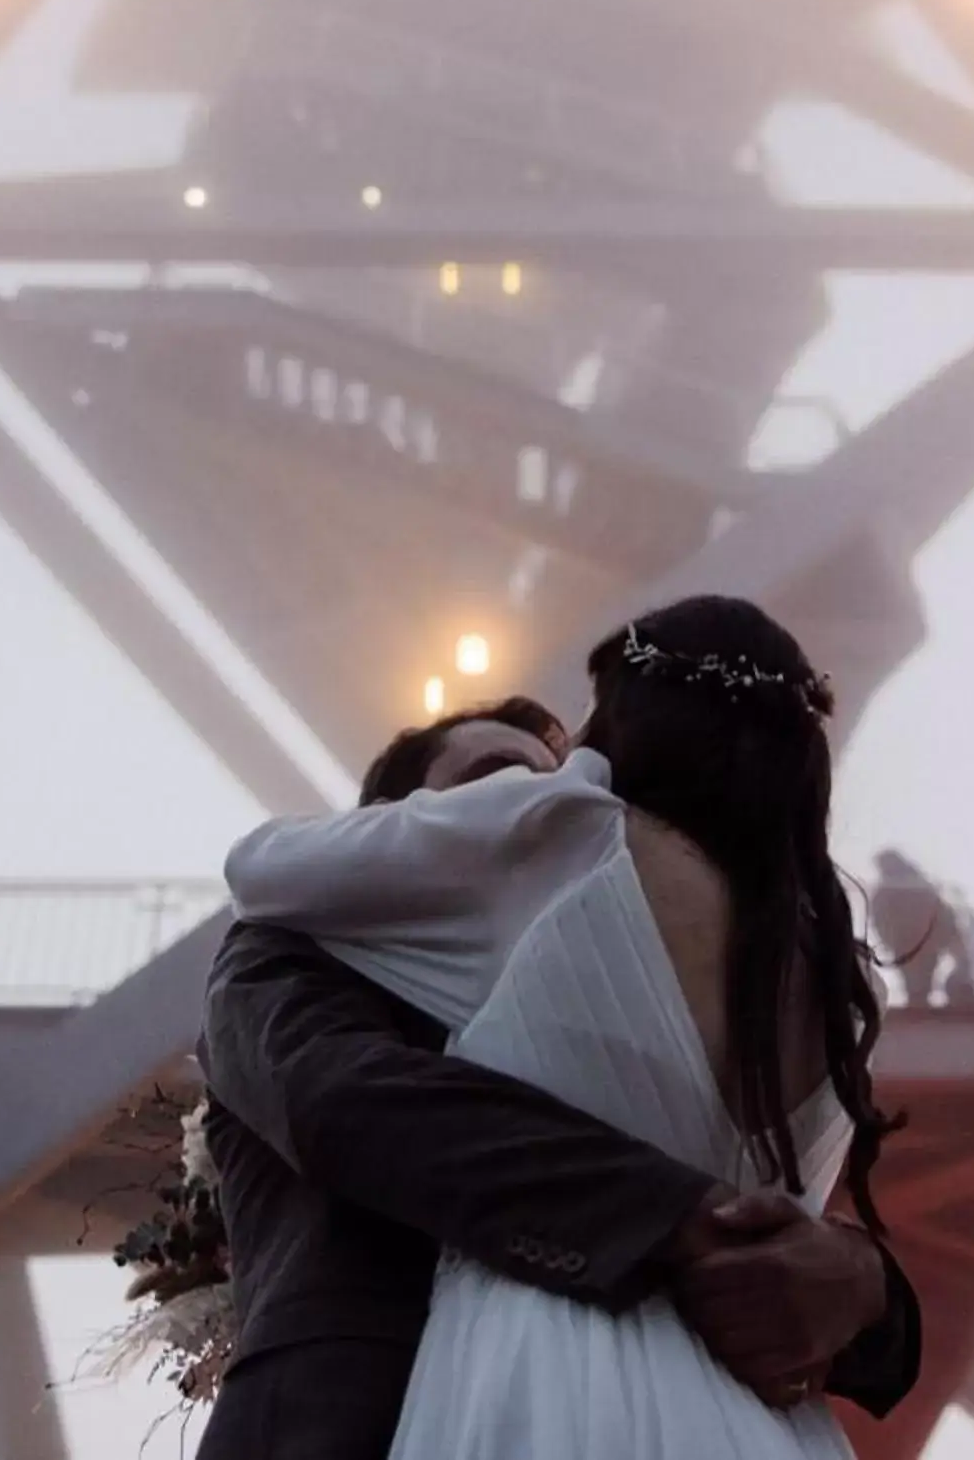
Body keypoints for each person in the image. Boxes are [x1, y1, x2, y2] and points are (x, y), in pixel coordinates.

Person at [215, 598, 904, 1458]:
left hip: (545, 1370)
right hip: (760, 1423)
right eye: (496, 779)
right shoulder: (843, 977)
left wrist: (865, 1284)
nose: (552, 778)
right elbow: (336, 1095)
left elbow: (258, 863)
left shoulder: (562, 836)